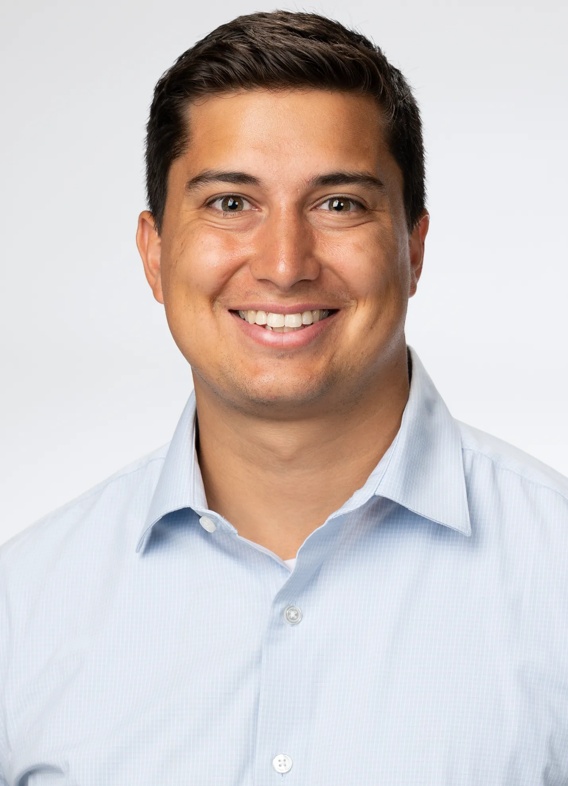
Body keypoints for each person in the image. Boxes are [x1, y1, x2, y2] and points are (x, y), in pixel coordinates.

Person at [1, 10, 567, 784]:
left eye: (339, 204)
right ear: (154, 254)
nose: (284, 263)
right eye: (231, 203)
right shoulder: (23, 607)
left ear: (413, 248)